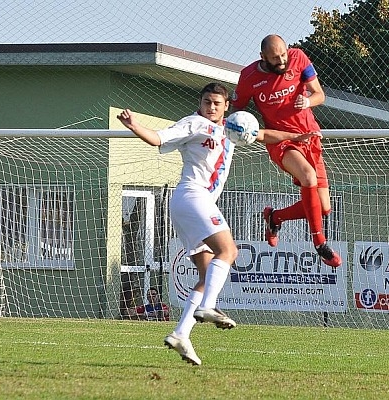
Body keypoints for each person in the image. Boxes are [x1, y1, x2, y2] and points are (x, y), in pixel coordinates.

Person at [117, 82, 312, 366]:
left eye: (216, 104)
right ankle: (209, 306)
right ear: (200, 103)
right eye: (207, 102)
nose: (210, 107)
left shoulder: (232, 128)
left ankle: (181, 334)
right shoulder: (194, 123)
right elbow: (158, 139)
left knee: (207, 274)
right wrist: (134, 125)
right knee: (228, 251)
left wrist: (296, 136)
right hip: (192, 196)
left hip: (191, 204)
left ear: (226, 107)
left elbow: (264, 134)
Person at [231, 34, 342, 268]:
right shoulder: (249, 77)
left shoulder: (298, 58)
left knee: (323, 208)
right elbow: (236, 110)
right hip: (281, 140)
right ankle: (320, 243)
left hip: (310, 137)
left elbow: (319, 94)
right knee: (308, 176)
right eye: (275, 58)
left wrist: (308, 101)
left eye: (283, 54)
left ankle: (275, 217)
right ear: (262, 57)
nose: (281, 61)